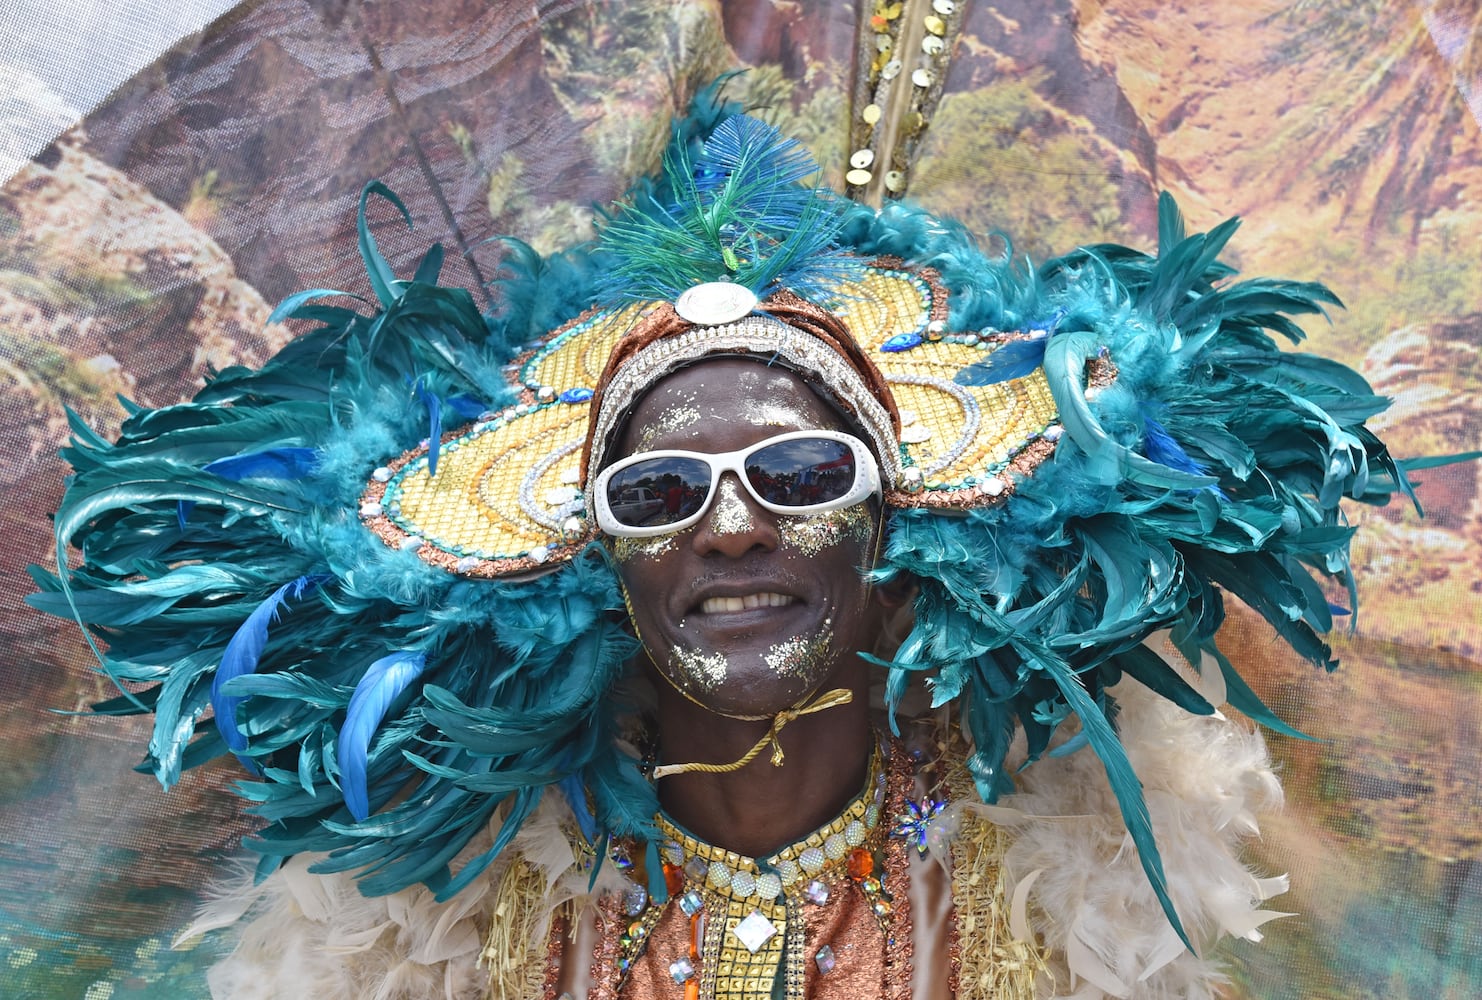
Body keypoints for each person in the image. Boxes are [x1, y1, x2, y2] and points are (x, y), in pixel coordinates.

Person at [34, 102, 1407, 999]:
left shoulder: (1080, 864)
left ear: (890, 535)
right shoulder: (438, 923)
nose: (731, 523)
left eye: (802, 473)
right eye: (658, 490)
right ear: (599, 563)